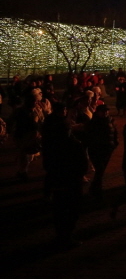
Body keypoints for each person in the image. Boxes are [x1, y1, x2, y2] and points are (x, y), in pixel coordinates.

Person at [41, 103, 89, 249]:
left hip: (60, 183)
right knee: (71, 210)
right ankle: (65, 236)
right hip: (70, 183)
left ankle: (62, 235)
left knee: (60, 211)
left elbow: (48, 166)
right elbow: (82, 165)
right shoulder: (73, 145)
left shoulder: (53, 145)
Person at [84, 104, 118, 201]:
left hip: (107, 150)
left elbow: (114, 133)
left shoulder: (110, 121)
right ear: (98, 112)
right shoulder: (93, 123)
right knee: (99, 170)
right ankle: (97, 191)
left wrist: (115, 144)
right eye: (103, 111)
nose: (105, 113)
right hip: (96, 150)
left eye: (107, 111)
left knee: (100, 171)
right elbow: (89, 137)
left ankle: (94, 190)